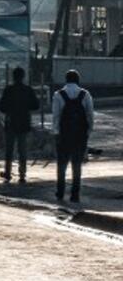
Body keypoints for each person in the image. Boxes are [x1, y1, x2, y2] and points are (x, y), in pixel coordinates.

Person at [52, 69, 94, 203]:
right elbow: (90, 115)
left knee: (62, 165)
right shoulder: (85, 94)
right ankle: (75, 194)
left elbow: (56, 117)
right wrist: (88, 131)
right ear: (78, 80)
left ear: (66, 80)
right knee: (77, 165)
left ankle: (60, 192)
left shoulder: (58, 95)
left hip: (64, 135)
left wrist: (56, 133)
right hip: (79, 136)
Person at [0, 67, 39, 184]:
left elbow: (1, 106)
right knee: (22, 150)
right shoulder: (28, 90)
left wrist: (10, 110)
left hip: (11, 122)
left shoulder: (8, 90)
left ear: (13, 76)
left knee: (9, 150)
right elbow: (36, 105)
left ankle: (8, 172)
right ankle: (22, 174)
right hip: (24, 122)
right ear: (23, 76)